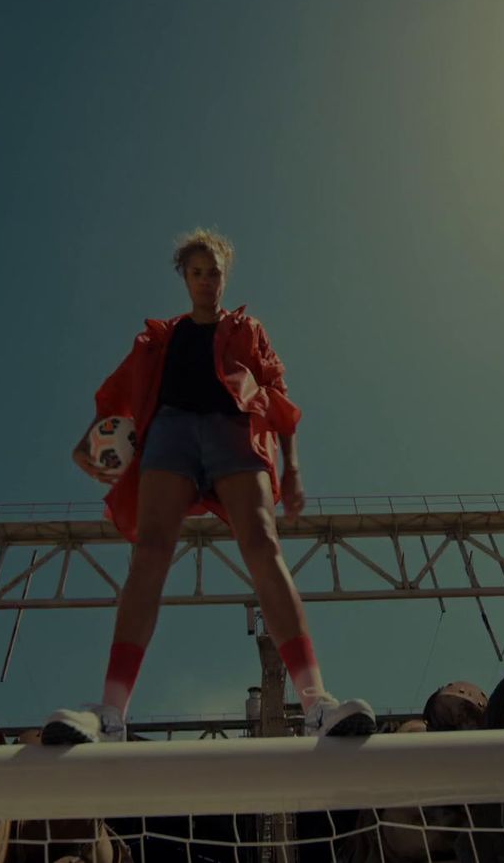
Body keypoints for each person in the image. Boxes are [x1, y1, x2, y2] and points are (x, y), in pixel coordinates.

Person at [42, 229, 375, 743]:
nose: (205, 280)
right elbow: (118, 394)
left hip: (233, 432)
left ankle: (316, 704)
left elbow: (279, 395)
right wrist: (91, 441)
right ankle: (109, 713)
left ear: (225, 275)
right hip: (170, 434)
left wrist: (292, 468)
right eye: (196, 272)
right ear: (185, 277)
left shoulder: (248, 329)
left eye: (214, 271)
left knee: (263, 545)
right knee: (150, 551)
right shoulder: (157, 338)